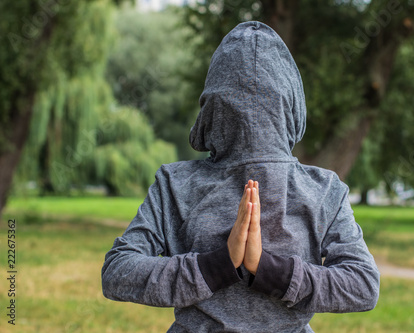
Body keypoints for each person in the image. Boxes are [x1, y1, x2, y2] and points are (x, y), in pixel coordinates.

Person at [101, 21, 380, 332]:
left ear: (211, 105)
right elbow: (117, 271)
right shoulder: (174, 185)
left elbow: (363, 284)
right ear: (291, 105)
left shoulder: (325, 191)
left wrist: (267, 269)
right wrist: (218, 264)